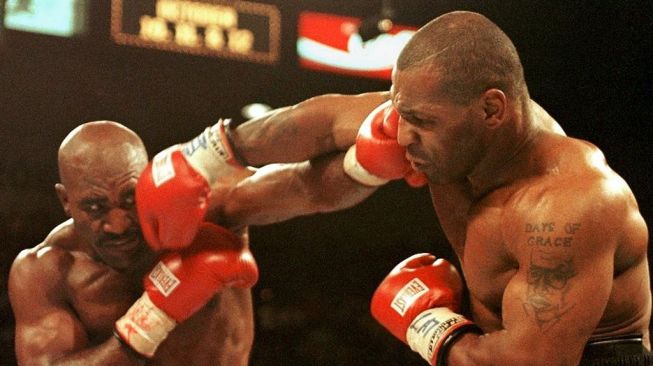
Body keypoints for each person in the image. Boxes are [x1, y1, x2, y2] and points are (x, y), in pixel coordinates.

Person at [135, 11, 651, 366]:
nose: (402, 134)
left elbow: (529, 363)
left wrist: (428, 327)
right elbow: (324, 122)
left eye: (420, 121)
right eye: (402, 113)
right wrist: (209, 156)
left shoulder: (570, 205)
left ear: (492, 109)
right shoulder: (441, 129)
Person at [8, 121, 260, 365]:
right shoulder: (45, 270)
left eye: (130, 199)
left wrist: (221, 148)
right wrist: (147, 323)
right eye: (95, 207)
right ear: (65, 200)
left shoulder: (207, 212)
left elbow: (295, 185)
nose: (118, 226)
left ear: (148, 178)